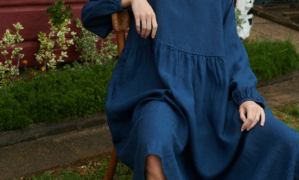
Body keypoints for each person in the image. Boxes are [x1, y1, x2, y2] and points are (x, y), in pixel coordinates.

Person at [81, 0, 299, 179]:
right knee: (155, 146)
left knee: (286, 141)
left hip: (212, 101)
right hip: (159, 94)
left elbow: (232, 49)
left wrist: (247, 97)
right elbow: (90, 13)